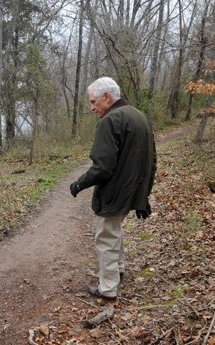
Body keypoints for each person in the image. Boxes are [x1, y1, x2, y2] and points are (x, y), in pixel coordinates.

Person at [69, 77, 156, 301]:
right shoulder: (139, 116)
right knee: (114, 230)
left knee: (106, 237)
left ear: (106, 97)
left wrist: (79, 184)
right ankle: (117, 270)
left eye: (93, 101)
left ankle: (107, 288)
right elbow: (151, 159)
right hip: (132, 191)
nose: (92, 107)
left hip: (116, 192)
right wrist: (143, 195)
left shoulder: (110, 120)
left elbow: (102, 168)